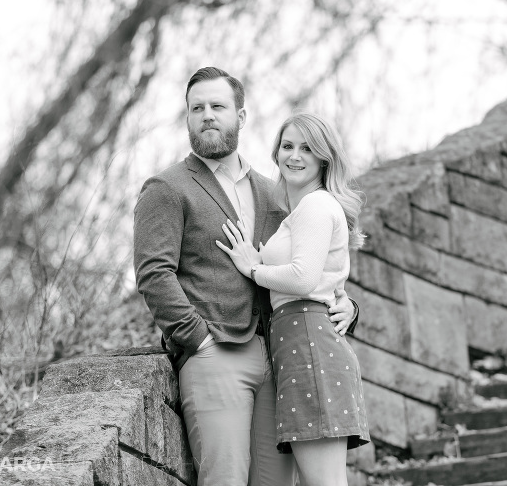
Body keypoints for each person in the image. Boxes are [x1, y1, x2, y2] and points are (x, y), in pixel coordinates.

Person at [133, 67, 358, 486]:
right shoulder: (167, 188)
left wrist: (347, 304)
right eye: (196, 108)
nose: (207, 116)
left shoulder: (274, 192)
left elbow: (311, 260)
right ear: (187, 118)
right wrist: (196, 338)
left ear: (241, 116)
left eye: (218, 106)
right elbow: (152, 273)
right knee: (226, 480)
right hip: (215, 354)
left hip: (281, 357)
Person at [217, 112, 369, 486]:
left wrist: (253, 268)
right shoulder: (302, 210)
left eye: (307, 148)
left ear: (324, 158)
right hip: (302, 346)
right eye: (287, 146)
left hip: (310, 348)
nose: (295, 156)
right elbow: (326, 279)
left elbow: (303, 278)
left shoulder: (317, 206)